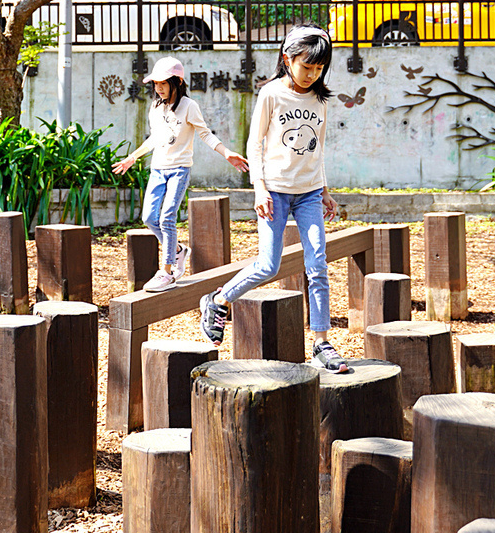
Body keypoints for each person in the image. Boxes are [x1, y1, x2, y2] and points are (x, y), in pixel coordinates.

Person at [198, 25, 348, 373]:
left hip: (309, 193)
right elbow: (255, 144)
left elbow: (318, 150)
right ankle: (219, 300)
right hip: (275, 192)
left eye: (319, 68)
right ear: (287, 59)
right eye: (306, 66)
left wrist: (324, 190)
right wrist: (260, 188)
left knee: (318, 266)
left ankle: (322, 343)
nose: (312, 74)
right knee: (269, 265)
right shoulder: (271, 95)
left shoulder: (320, 99)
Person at [114, 56, 248, 292]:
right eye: (155, 84)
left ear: (177, 82)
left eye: (163, 84)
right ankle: (178, 251)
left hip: (179, 170)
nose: (158, 88)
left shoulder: (189, 106)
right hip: (157, 169)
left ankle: (167, 272)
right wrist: (132, 157)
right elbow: (154, 139)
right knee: (148, 218)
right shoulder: (156, 107)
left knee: (167, 217)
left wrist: (226, 153)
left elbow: (205, 134)